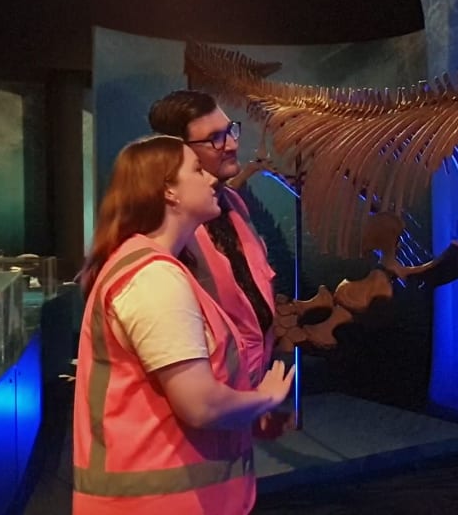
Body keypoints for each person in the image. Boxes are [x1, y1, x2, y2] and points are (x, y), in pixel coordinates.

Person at [72, 135, 295, 514]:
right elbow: (200, 404)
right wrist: (264, 400)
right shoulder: (153, 278)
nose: (211, 179)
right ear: (168, 192)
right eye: (196, 169)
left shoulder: (164, 269)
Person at [147, 90, 291, 437]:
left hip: (239, 397)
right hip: (201, 409)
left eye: (230, 130)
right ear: (178, 151)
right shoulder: (165, 232)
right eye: (214, 138)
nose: (230, 144)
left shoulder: (234, 204)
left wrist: (255, 399)